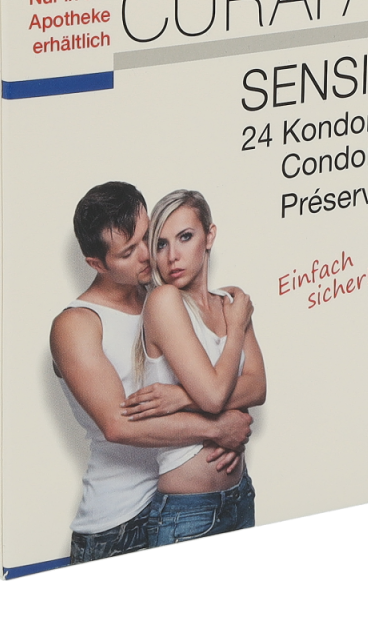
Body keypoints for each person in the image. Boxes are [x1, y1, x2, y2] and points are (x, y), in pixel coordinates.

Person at [50, 182, 253, 563]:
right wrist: (216, 428)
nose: (147, 255)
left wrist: (189, 401)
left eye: (147, 238)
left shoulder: (167, 298)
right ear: (96, 264)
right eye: (128, 252)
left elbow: (222, 383)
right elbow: (118, 426)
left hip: (183, 501)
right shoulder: (77, 324)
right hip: (117, 523)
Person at [124, 189, 266, 546]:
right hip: (186, 514)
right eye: (161, 244)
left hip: (240, 496)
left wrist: (180, 397)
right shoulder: (164, 301)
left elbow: (258, 387)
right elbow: (214, 396)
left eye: (185, 237)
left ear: (209, 236)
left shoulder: (230, 300)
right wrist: (236, 329)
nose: (172, 256)